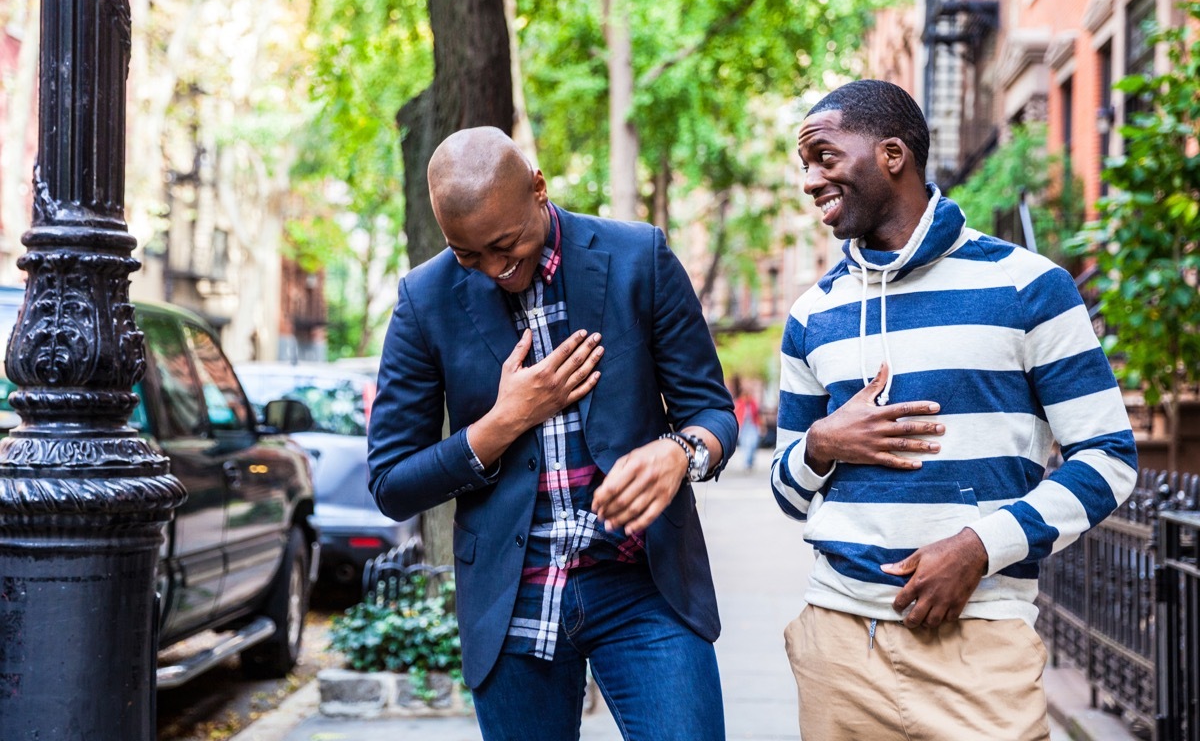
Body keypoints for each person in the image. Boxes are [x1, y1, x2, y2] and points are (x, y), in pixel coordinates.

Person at [770, 80, 1137, 740]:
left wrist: (979, 547)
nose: (810, 180)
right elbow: (787, 493)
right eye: (805, 166)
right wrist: (821, 444)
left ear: (890, 155)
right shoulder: (811, 314)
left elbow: (1108, 459)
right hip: (840, 647)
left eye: (824, 156)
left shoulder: (1029, 287)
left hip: (981, 650)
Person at [368, 126, 737, 741]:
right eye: (468, 255)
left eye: (505, 245)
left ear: (538, 188)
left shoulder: (637, 258)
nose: (494, 269)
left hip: (642, 587)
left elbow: (711, 411)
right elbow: (391, 482)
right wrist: (503, 421)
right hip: (511, 601)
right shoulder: (423, 300)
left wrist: (681, 453)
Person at [731, 376, 761, 470]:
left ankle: (750, 460)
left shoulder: (753, 403)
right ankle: (747, 462)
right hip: (744, 426)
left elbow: (758, 414)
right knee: (745, 444)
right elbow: (735, 413)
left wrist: (761, 426)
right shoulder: (739, 403)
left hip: (752, 425)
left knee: (753, 443)